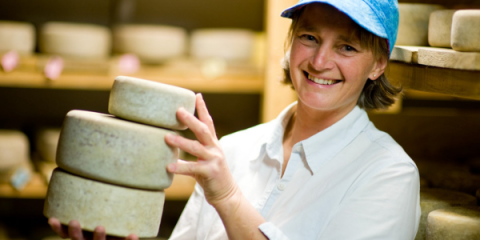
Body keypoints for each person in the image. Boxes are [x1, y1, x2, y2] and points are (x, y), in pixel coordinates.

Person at [49, 0, 421, 239]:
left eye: (347, 47)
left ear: (378, 64)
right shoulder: (232, 149)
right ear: (290, 43)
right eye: (309, 37)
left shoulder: (387, 174)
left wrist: (226, 196)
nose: (320, 62)